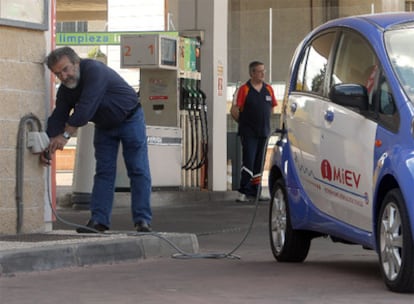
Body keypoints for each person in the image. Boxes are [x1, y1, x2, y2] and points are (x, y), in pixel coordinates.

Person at [41, 46, 152, 233]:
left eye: (66, 69)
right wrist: (48, 144)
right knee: (103, 172)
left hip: (130, 118)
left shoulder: (94, 70)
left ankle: (142, 220)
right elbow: (59, 116)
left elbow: (85, 108)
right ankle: (99, 221)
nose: (64, 76)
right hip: (104, 125)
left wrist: (65, 135)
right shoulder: (66, 90)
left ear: (77, 62)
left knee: (138, 169)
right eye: (58, 74)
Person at [232, 61, 277, 202]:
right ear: (252, 73)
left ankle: (256, 191)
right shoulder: (244, 89)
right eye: (259, 71)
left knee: (259, 162)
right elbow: (234, 110)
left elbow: (272, 107)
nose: (263, 74)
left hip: (263, 132)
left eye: (264, 71)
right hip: (249, 133)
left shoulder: (269, 89)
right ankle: (243, 191)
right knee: (249, 161)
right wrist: (244, 123)